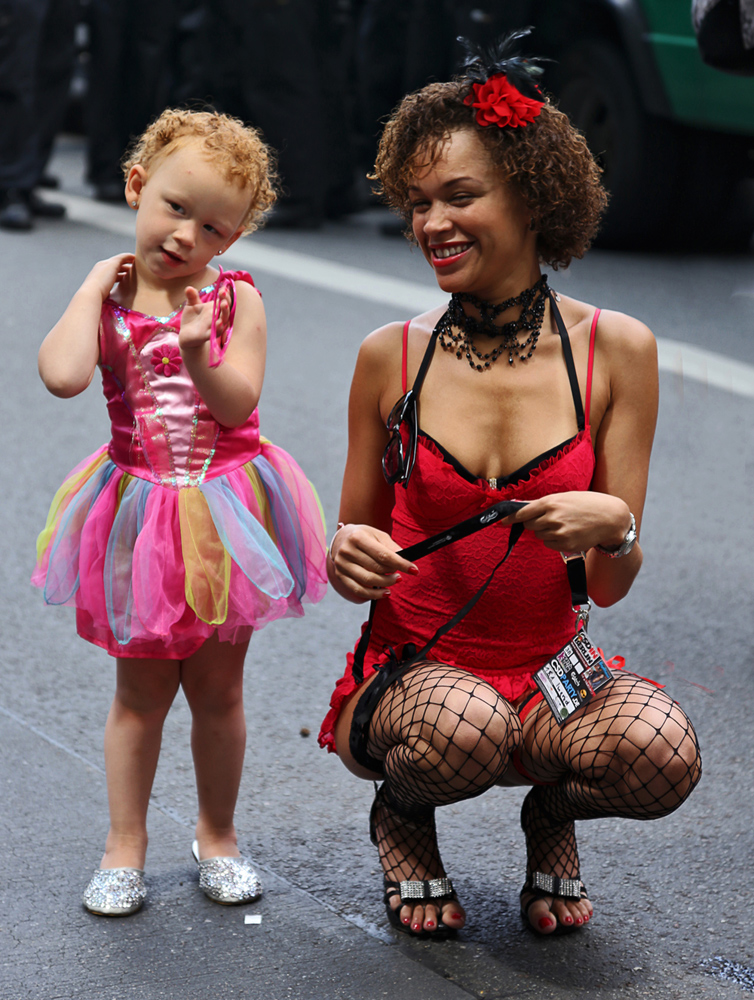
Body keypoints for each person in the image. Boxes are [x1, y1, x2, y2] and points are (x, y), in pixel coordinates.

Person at [318, 34, 702, 938]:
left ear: (532, 197)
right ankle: (404, 818)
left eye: (460, 196)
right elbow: (352, 558)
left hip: (550, 679)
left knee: (662, 754)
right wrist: (345, 553)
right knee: (464, 724)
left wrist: (617, 525)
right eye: (417, 204)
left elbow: (609, 581)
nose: (432, 225)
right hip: (421, 678)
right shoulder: (392, 357)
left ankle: (552, 818)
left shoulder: (619, 350)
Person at [33, 109, 328, 916]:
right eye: (173, 207)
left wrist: (200, 349)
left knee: (219, 691)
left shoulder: (236, 302)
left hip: (226, 511)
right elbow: (60, 374)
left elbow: (239, 406)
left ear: (229, 241)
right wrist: (95, 283)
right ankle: (124, 844)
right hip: (137, 515)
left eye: (212, 226)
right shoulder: (112, 296)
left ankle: (218, 834)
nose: (185, 234)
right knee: (138, 695)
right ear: (136, 186)